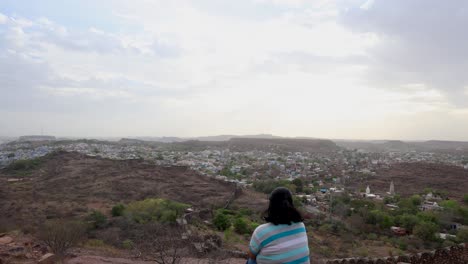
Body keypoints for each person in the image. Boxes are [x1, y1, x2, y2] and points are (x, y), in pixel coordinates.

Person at [247, 187, 310, 264]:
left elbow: (251, 255)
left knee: (250, 261)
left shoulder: (262, 231)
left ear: (271, 206)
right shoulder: (301, 226)